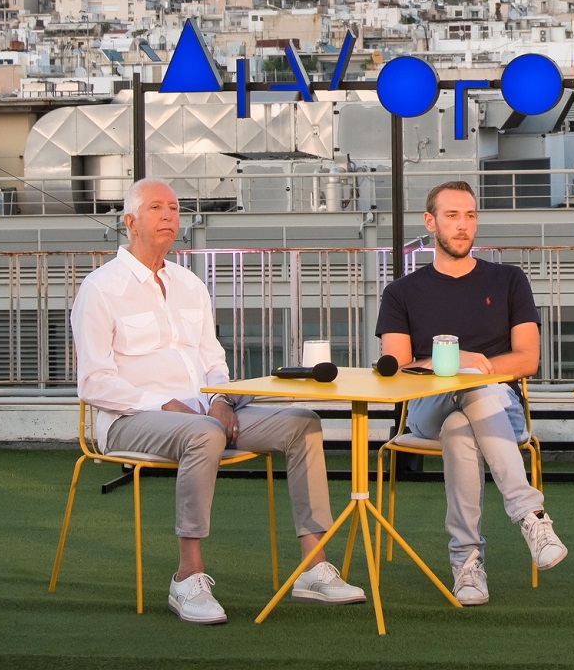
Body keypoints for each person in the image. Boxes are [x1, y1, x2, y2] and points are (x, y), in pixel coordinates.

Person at [71, 178, 364, 624]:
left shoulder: (189, 284)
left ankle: (312, 567)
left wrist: (222, 398)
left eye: (174, 207)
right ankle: (187, 576)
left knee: (303, 421)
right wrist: (165, 404)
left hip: (206, 411)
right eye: (156, 208)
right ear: (129, 222)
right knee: (205, 433)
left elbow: (213, 360)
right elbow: (93, 382)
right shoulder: (100, 289)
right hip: (130, 419)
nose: (169, 215)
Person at [375, 180, 567, 606]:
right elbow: (398, 364)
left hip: (500, 404)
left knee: (465, 422)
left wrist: (477, 369)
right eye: (452, 216)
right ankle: (531, 516)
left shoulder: (509, 280)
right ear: (430, 222)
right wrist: (456, 361)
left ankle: (466, 562)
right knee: (469, 390)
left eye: (470, 215)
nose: (463, 226)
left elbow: (527, 360)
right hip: (427, 408)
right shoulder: (402, 292)